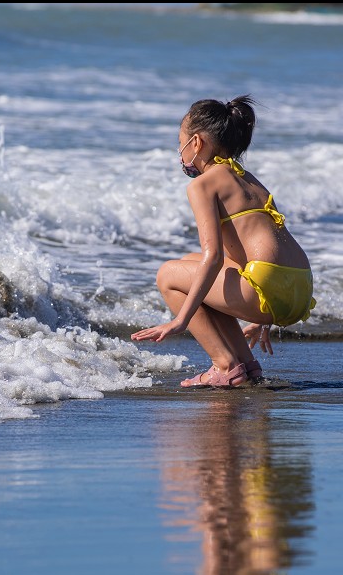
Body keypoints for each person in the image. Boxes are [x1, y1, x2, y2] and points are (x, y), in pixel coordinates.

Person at [131, 95, 315, 388]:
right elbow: (265, 248)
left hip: (269, 291)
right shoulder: (250, 180)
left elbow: (214, 256)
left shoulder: (203, 184)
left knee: (168, 274)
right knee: (189, 263)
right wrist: (265, 317)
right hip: (299, 287)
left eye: (180, 144)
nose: (179, 153)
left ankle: (225, 366)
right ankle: (247, 366)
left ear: (196, 143)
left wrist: (181, 321)